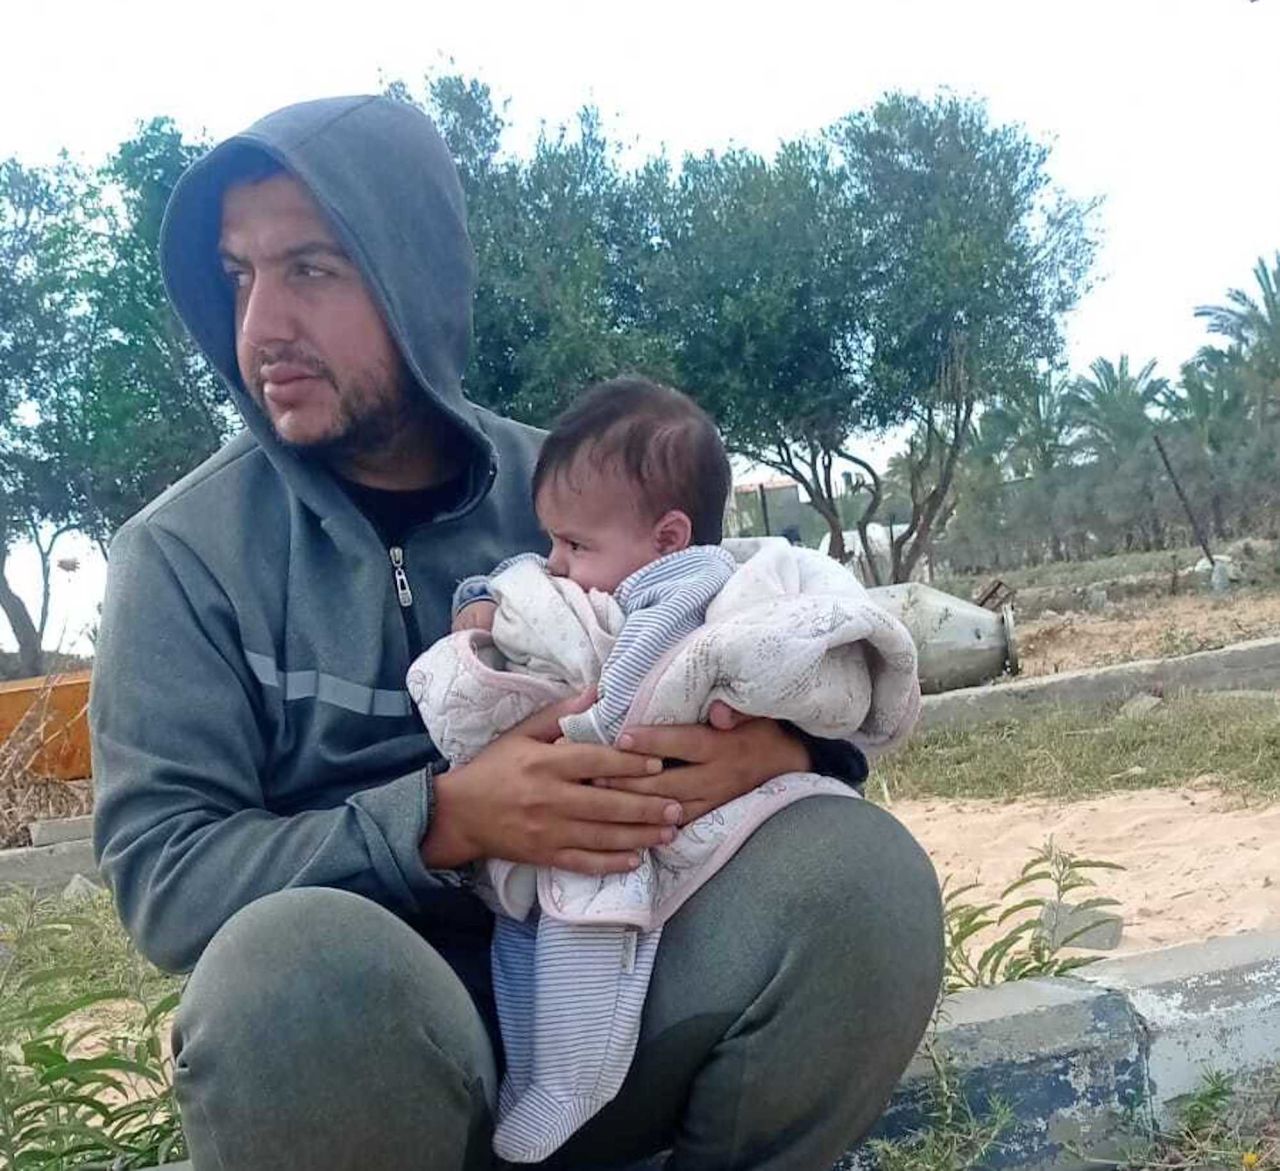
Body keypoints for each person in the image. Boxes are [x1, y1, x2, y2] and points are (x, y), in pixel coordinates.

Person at [89, 94, 944, 1171]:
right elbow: (170, 882)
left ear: (413, 276)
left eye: (309, 268)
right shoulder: (182, 557)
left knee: (857, 876)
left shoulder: (582, 494)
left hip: (610, 1001)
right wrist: (445, 821)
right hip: (363, 1068)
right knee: (281, 971)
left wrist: (779, 748)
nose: (261, 326)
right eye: (238, 275)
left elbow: (760, 640)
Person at [414, 376, 920, 1162]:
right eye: (554, 541)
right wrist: (484, 598)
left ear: (669, 535)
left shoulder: (681, 583)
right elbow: (525, 572)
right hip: (508, 864)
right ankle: (539, 1075)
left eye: (573, 547)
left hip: (638, 817)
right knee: (531, 926)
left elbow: (642, 683)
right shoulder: (598, 527)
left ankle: (567, 1077)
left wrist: (596, 727)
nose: (554, 563)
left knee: (588, 914)